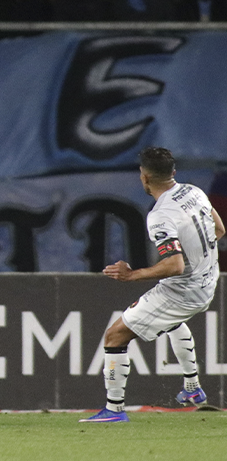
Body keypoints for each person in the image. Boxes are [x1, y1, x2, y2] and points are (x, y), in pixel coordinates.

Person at [80, 147, 223, 423]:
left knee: (115, 336)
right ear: (173, 172)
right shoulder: (194, 192)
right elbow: (219, 230)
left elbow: (175, 265)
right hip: (208, 281)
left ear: (144, 177)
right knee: (172, 322)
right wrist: (198, 256)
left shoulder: (160, 215)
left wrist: (131, 275)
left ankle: (114, 410)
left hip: (183, 291)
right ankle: (192, 388)